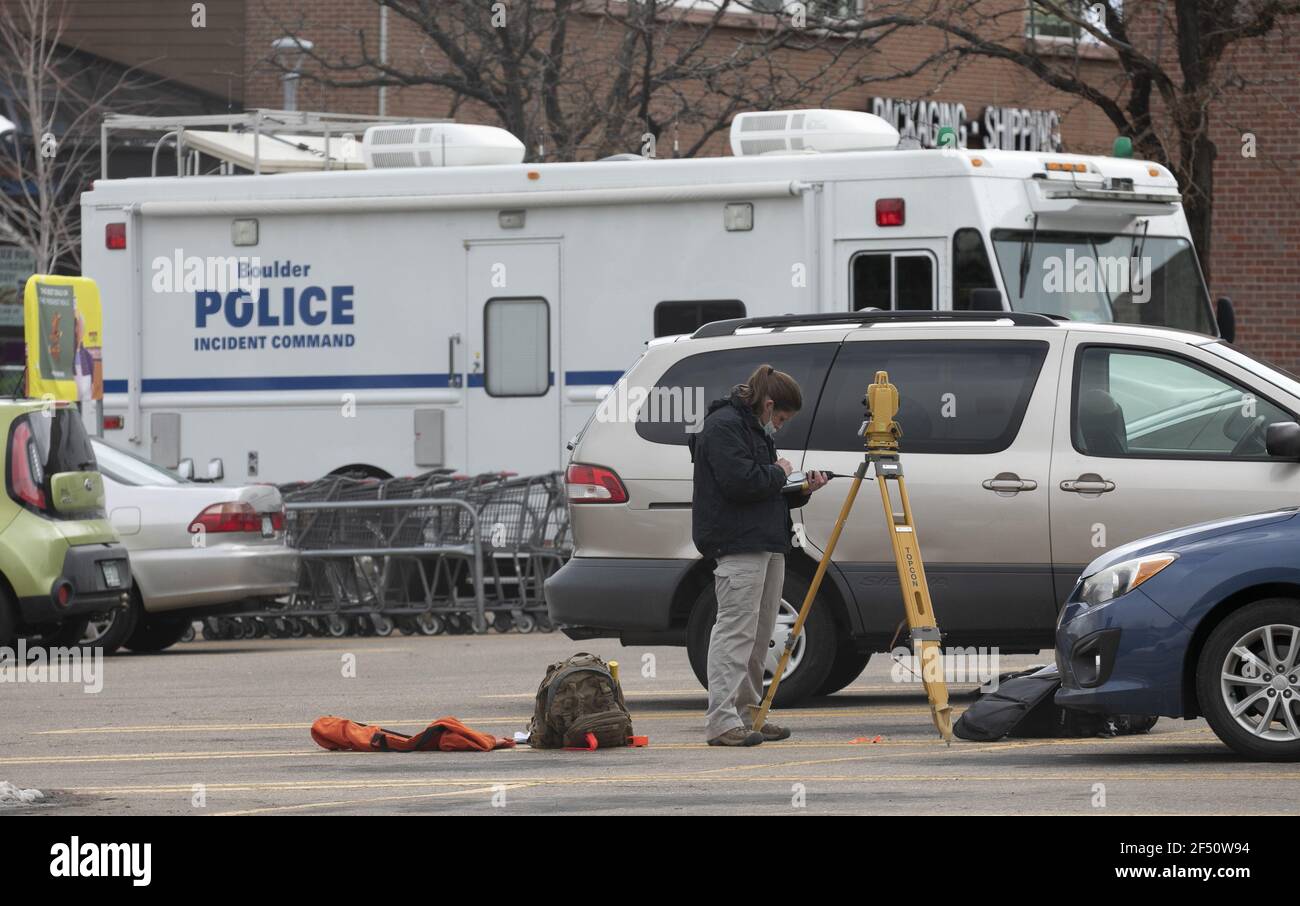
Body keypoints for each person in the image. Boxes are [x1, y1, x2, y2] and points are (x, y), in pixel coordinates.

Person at [687, 364, 828, 747]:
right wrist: (780, 472)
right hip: (737, 544)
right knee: (735, 632)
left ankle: (750, 714)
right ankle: (721, 721)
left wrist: (802, 490)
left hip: (766, 541)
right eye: (780, 417)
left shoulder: (752, 428)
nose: (779, 426)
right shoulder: (723, 427)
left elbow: (762, 486)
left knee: (759, 634)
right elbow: (740, 482)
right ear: (767, 404)